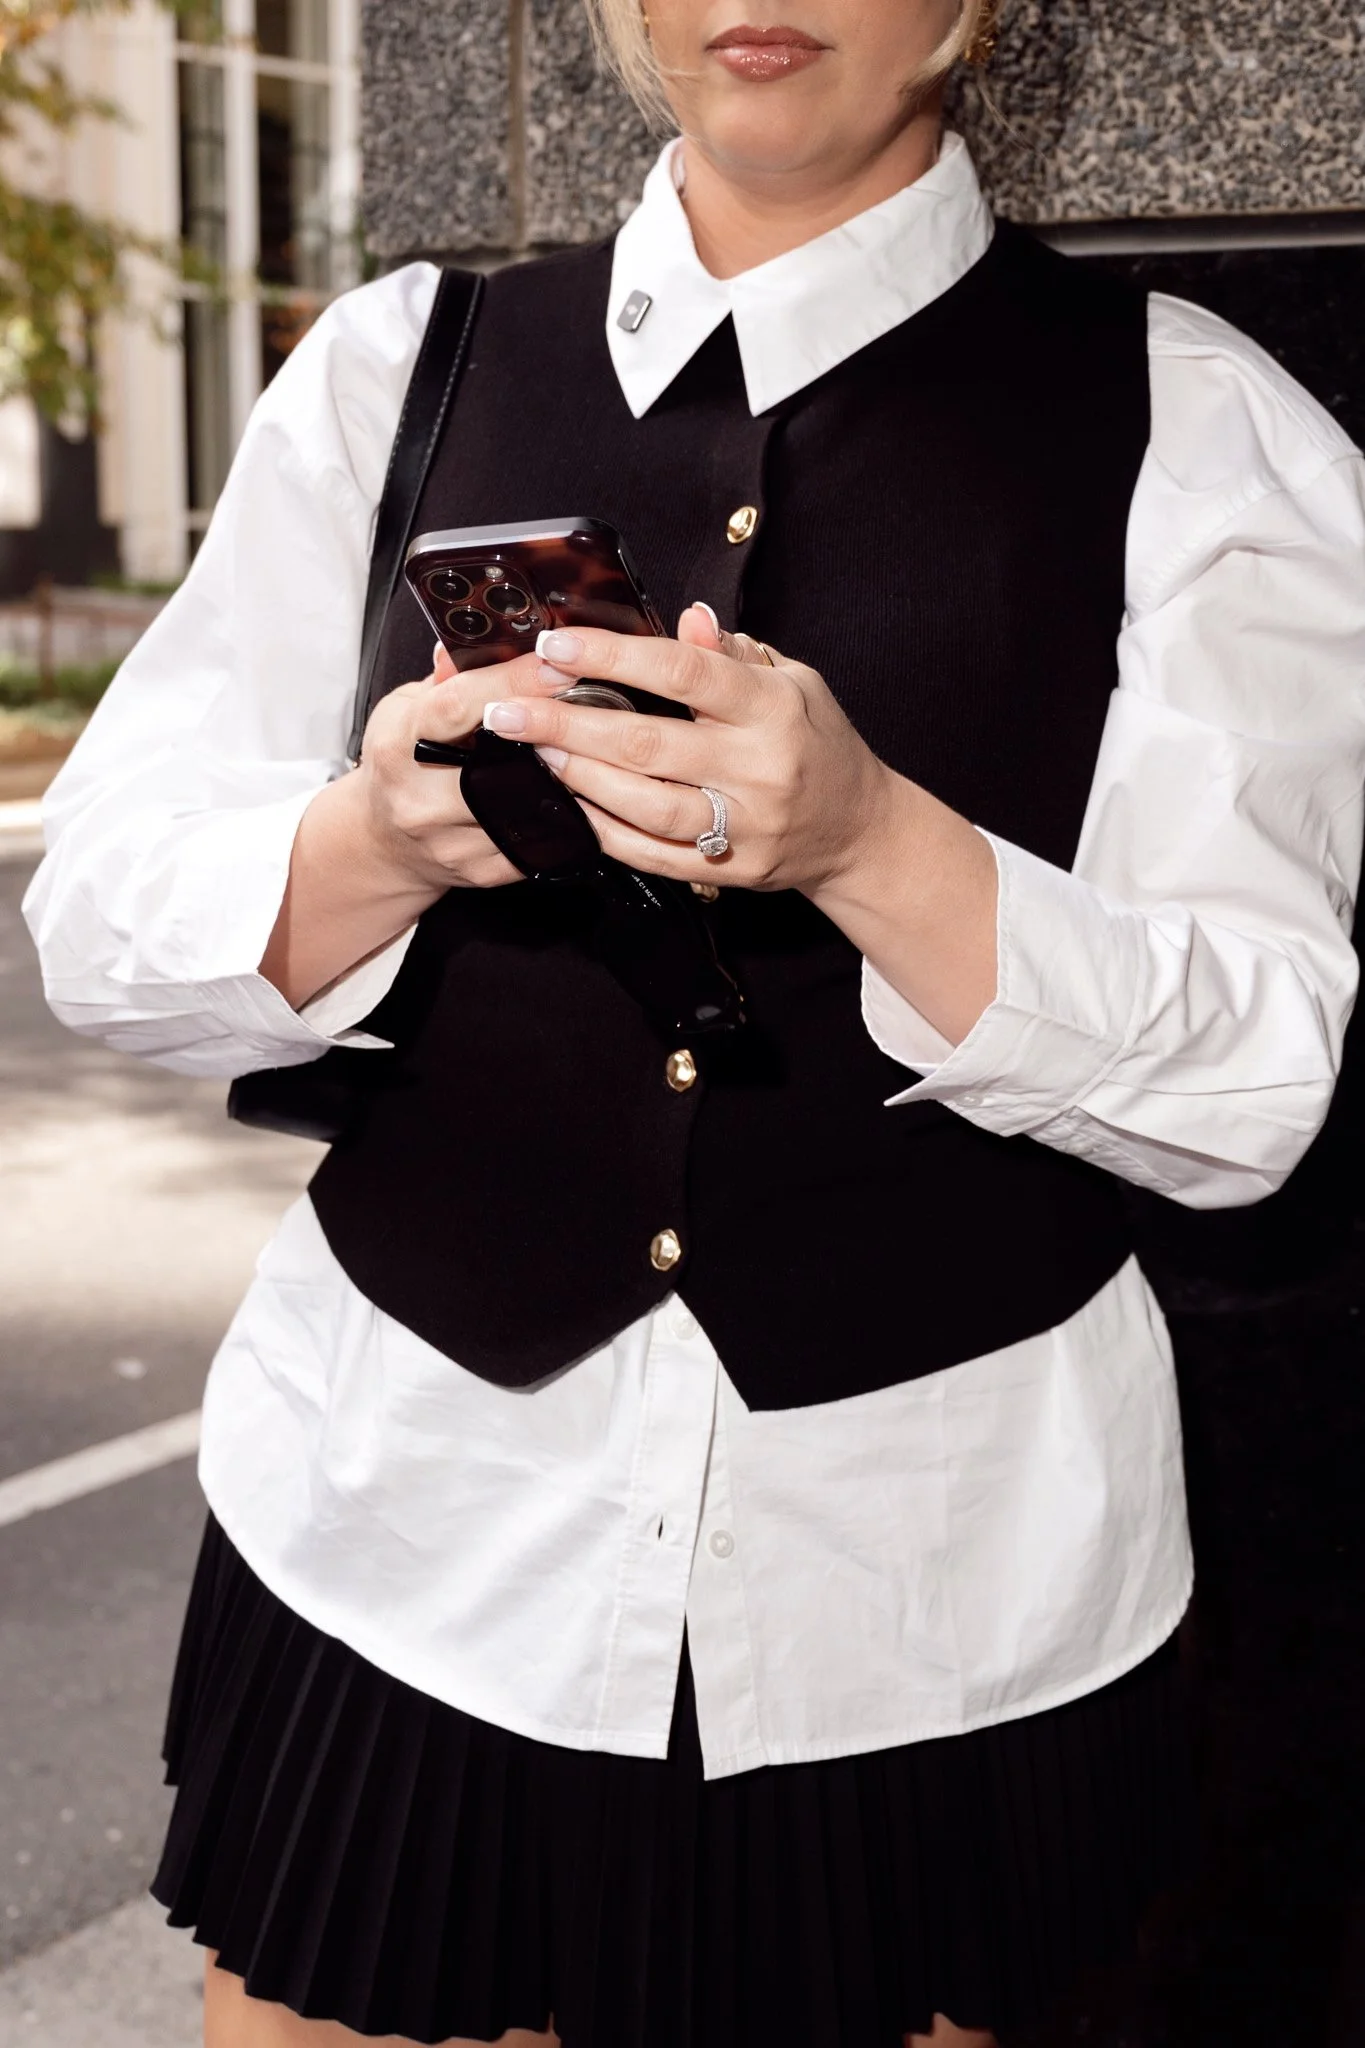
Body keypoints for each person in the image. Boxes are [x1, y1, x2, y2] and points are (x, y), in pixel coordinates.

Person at [23, 1, 1365, 2044]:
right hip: (406, 1531)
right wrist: (383, 838)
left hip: (926, 1594)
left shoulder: (1197, 428)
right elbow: (102, 920)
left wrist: (868, 841)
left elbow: (1254, 1081)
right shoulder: (398, 367)